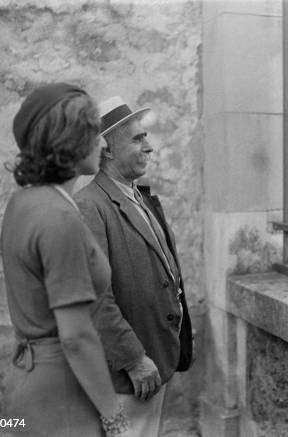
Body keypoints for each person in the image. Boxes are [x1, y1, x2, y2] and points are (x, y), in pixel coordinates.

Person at [1, 84, 129, 436]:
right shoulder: (60, 218)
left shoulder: (24, 202)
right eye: (95, 133)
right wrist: (114, 417)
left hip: (30, 380)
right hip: (63, 395)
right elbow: (75, 336)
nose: (103, 143)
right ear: (71, 140)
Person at [74, 96, 193, 436]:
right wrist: (134, 360)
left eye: (146, 137)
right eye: (138, 139)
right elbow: (95, 296)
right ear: (108, 150)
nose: (150, 147)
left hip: (156, 359)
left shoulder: (137, 195)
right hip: (130, 373)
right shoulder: (89, 206)